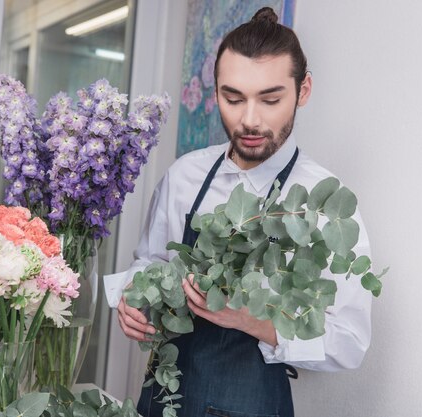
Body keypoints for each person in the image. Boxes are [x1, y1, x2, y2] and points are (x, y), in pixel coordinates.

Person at [104, 7, 372, 417]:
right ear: (215, 93)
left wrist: (255, 320)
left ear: (303, 91)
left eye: (270, 99)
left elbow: (349, 342)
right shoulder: (185, 175)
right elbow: (152, 261)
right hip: (162, 402)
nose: (249, 119)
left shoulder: (327, 207)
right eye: (233, 98)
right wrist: (134, 300)